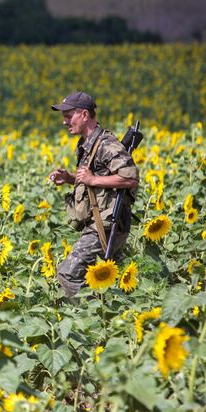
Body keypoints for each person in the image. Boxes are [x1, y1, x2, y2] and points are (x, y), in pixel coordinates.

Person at [48, 91, 139, 298]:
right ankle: (111, 318)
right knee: (110, 286)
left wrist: (92, 180)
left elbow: (131, 178)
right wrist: (71, 178)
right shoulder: (87, 144)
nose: (64, 122)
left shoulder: (105, 143)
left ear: (85, 115)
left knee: (67, 274)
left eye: (68, 116)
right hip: (99, 222)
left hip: (107, 224)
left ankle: (88, 317)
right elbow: (98, 176)